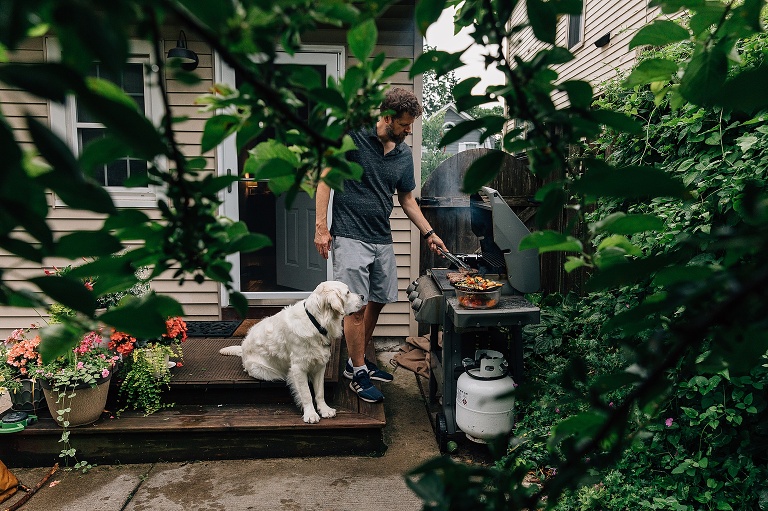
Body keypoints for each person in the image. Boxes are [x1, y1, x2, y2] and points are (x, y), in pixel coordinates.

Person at [314, 87, 448, 403]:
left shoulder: (402, 155)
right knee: (355, 307)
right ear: (387, 117)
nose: (408, 130)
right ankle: (359, 372)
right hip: (349, 235)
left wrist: (430, 232)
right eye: (404, 124)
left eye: (411, 125)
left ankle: (354, 363)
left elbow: (406, 199)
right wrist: (322, 227)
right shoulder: (353, 137)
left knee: (379, 299)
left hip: (381, 238)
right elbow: (325, 178)